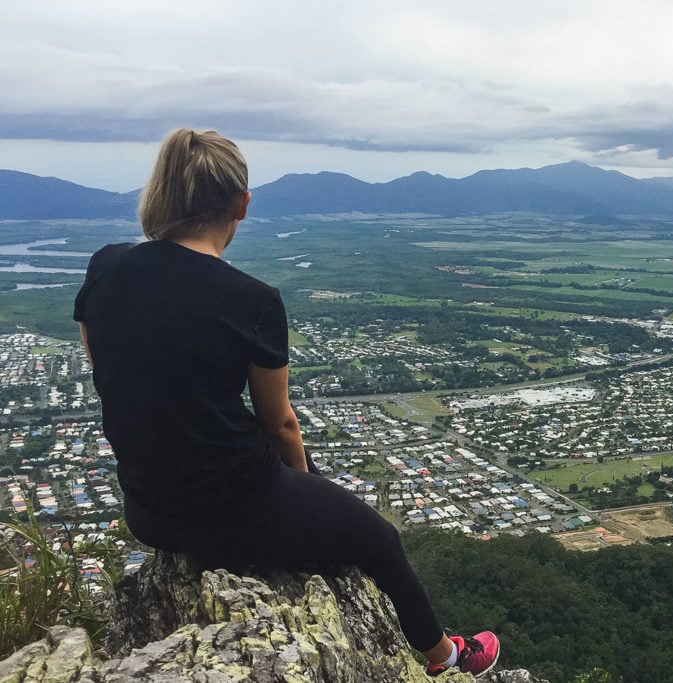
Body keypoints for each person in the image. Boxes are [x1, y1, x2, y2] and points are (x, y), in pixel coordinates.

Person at [73, 128, 499, 677]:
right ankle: (448, 656)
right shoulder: (251, 299)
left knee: (318, 498)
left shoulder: (107, 265)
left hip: (147, 511)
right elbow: (281, 425)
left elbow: (106, 370)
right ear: (242, 205)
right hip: (227, 508)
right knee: (381, 540)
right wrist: (306, 491)